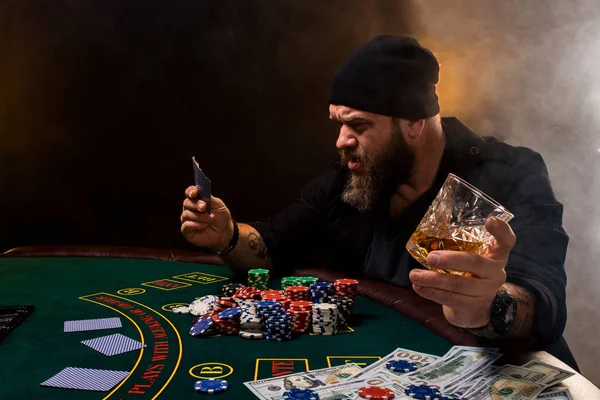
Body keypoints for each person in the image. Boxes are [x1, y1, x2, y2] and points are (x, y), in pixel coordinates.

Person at [180, 35, 577, 369]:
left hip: (505, 372)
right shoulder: (351, 178)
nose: (341, 140)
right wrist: (228, 236)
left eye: (359, 125)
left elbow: (544, 301)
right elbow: (272, 245)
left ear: (414, 123)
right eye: (339, 123)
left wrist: (491, 305)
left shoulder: (509, 175)